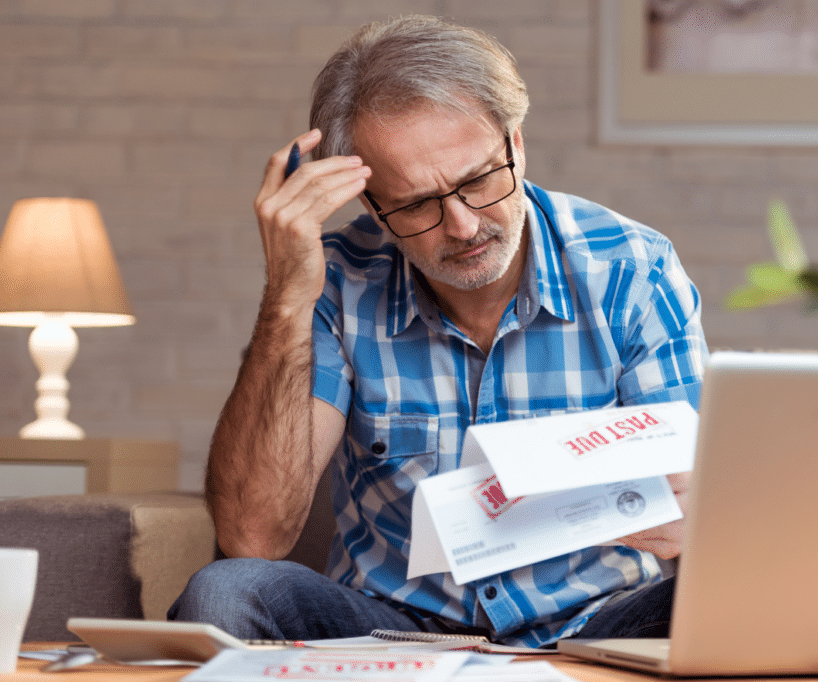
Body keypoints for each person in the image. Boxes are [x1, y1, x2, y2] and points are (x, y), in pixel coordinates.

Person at [169, 14, 708, 648]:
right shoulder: (339, 281)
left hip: (596, 622)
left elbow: (708, 512)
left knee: (733, 592)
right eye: (418, 203)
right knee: (224, 591)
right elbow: (255, 536)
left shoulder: (632, 269)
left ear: (517, 144)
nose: (462, 225)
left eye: (479, 180)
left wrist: (697, 516)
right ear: (371, 203)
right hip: (393, 628)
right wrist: (287, 296)